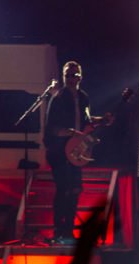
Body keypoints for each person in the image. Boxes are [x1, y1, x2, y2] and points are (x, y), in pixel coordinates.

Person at [44, 61, 110, 245]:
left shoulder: (83, 98)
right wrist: (70, 132)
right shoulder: (57, 98)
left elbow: (87, 120)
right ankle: (58, 231)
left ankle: (68, 232)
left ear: (80, 77)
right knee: (63, 189)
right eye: (67, 75)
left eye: (74, 75)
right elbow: (51, 128)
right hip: (59, 150)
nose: (70, 79)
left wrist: (103, 120)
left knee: (74, 189)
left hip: (74, 151)